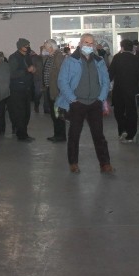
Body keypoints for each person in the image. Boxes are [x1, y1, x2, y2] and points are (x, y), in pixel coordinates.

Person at [56, 33, 113, 174]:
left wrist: (101, 98)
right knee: (74, 134)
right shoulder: (70, 61)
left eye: (91, 43)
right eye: (86, 42)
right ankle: (73, 163)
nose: (89, 45)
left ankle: (105, 164)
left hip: (95, 103)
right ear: (80, 44)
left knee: (99, 135)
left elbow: (106, 81)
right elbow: (62, 81)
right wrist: (72, 99)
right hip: (77, 103)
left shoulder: (99, 61)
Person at [107, 39, 139, 142]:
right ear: (132, 48)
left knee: (118, 111)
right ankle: (130, 135)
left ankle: (122, 130)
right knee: (132, 112)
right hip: (132, 90)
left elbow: (110, 74)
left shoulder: (117, 58)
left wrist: (105, 85)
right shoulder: (137, 59)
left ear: (122, 48)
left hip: (118, 90)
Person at [7, 38, 36, 142]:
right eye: (26, 46)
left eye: (29, 45)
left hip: (26, 88)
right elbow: (11, 74)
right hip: (17, 90)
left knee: (27, 113)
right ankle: (22, 135)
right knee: (20, 113)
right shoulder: (14, 58)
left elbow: (30, 68)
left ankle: (22, 132)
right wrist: (26, 70)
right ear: (20, 47)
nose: (28, 47)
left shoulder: (27, 57)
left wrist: (33, 70)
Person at [42, 40, 67, 143]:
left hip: (56, 90)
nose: (44, 49)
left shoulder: (58, 56)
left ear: (51, 47)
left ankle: (61, 136)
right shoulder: (51, 56)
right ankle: (57, 134)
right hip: (50, 88)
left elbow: (62, 73)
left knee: (58, 114)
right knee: (54, 113)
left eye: (46, 47)